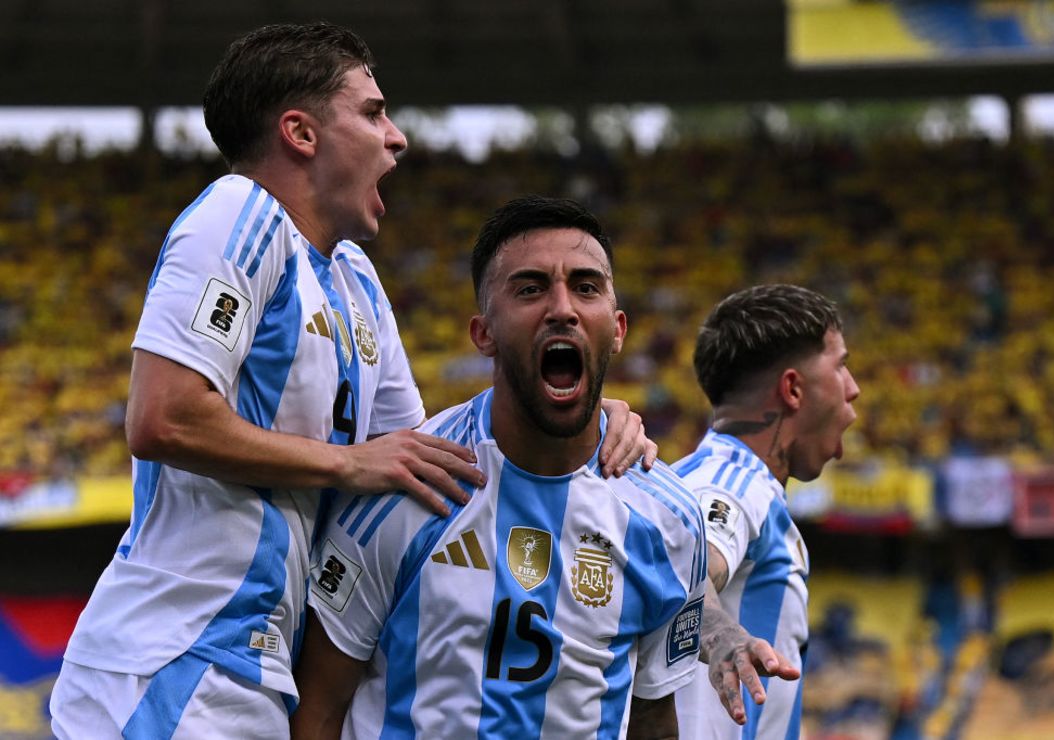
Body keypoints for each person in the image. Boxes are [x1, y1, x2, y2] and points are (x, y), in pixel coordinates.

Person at [49, 24, 651, 739]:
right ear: (301, 133)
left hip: (255, 674)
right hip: (176, 656)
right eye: (372, 112)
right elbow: (162, 418)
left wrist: (587, 416)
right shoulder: (239, 214)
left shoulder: (355, 281)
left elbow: (431, 456)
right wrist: (347, 462)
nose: (395, 139)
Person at [291, 197, 793, 738]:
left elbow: (652, 718)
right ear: (483, 333)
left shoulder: (666, 517)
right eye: (530, 289)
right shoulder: (407, 482)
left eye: (586, 287)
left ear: (618, 328)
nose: (562, 308)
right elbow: (320, 701)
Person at [674, 284, 860, 739]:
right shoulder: (731, 479)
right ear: (793, 389)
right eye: (840, 366)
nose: (853, 390)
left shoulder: (708, 477)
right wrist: (719, 633)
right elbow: (682, 561)